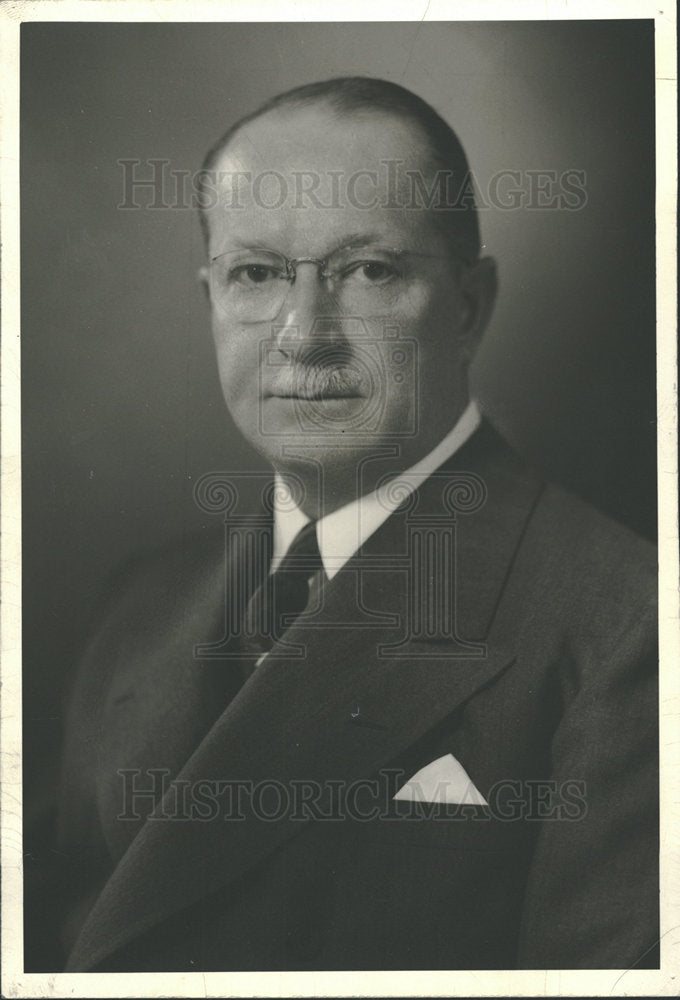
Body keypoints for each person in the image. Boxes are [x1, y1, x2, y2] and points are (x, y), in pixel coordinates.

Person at [43, 78, 658, 972]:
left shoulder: (629, 627)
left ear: (467, 307)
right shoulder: (136, 605)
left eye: (370, 271)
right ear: (210, 297)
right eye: (256, 275)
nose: (304, 335)